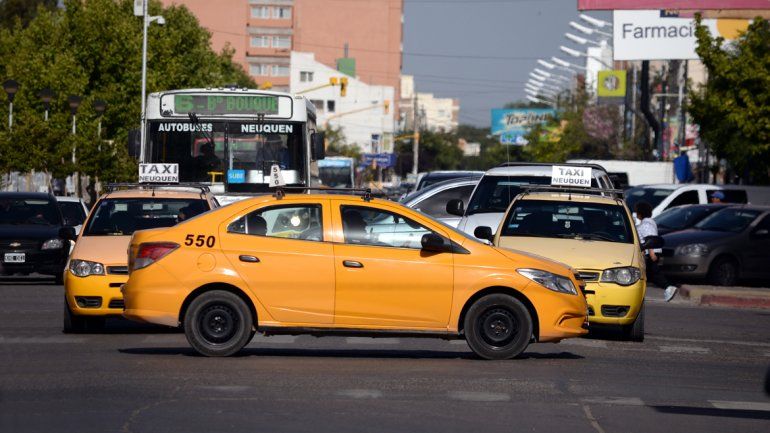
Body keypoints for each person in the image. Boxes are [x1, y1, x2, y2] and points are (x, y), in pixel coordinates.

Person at [635, 201, 678, 302]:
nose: (636, 213)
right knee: (651, 274)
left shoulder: (646, 224)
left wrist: (651, 253)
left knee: (653, 274)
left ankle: (669, 287)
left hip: (651, 252)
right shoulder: (649, 222)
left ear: (640, 213)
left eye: (637, 212)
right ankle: (668, 287)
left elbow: (651, 239)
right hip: (650, 251)